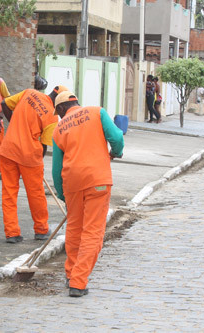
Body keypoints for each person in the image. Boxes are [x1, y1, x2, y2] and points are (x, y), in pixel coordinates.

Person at [52, 91, 124, 297]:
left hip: (72, 183)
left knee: (74, 229)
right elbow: (117, 137)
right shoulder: (96, 112)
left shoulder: (59, 129)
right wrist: (116, 152)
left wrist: (63, 195)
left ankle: (70, 273)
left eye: (58, 113)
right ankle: (78, 281)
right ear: (76, 102)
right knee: (92, 232)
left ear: (61, 109)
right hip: (97, 181)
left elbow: (57, 169)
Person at [0, 84, 69, 243]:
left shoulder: (28, 93)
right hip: (29, 156)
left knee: (9, 193)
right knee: (36, 194)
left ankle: (11, 233)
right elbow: (43, 144)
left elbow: (4, 104)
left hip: (8, 149)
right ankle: (41, 229)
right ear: (59, 102)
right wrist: (38, 162)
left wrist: (14, 123)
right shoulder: (52, 115)